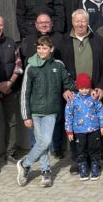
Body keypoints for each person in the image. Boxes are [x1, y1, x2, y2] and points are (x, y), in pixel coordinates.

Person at [55, 10, 103, 173]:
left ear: (88, 22)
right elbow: (58, 67)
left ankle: (94, 159)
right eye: (77, 21)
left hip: (93, 92)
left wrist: (101, 86)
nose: (80, 24)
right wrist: (64, 88)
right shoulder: (63, 41)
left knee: (93, 129)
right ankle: (77, 160)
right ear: (72, 23)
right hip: (73, 93)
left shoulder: (98, 40)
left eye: (83, 21)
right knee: (75, 126)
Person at [16, 36, 74, 187]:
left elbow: (67, 82)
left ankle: (25, 164)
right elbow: (25, 93)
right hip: (35, 112)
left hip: (51, 111)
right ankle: (46, 171)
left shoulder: (58, 65)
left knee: (45, 141)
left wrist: (71, 88)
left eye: (45, 48)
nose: (41, 51)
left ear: (51, 49)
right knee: (43, 142)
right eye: (39, 48)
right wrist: (26, 115)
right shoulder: (31, 67)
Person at [0, 15, 25, 174]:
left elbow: (18, 64)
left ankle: (10, 153)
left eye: (0, 25)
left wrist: (9, 83)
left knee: (12, 122)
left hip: (10, 89)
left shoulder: (11, 42)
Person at [65, 73, 103, 181]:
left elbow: (100, 111)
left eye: (86, 88)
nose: (84, 90)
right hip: (79, 130)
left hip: (94, 129)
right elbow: (68, 115)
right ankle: (82, 166)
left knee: (94, 148)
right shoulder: (72, 99)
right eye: (81, 88)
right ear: (77, 87)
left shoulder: (93, 98)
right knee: (81, 149)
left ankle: (95, 165)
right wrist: (69, 131)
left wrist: (102, 125)